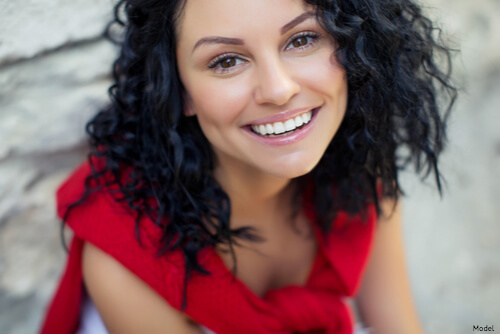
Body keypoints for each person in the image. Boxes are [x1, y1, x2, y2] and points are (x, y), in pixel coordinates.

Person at [41, 0, 457, 333]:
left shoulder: (361, 167)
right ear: (179, 89)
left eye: (303, 39)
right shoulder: (125, 251)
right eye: (226, 61)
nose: (278, 89)